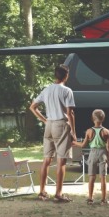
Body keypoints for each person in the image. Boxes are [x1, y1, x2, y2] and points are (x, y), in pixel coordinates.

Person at [29, 64, 77, 202]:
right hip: (61, 125)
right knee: (61, 160)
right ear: (66, 76)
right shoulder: (67, 91)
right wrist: (73, 131)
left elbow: (32, 107)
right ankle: (59, 193)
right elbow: (70, 112)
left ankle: (42, 192)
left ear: (55, 75)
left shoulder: (46, 90)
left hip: (49, 125)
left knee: (46, 160)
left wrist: (45, 120)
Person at [74, 109, 109, 205]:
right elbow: (108, 148)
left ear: (92, 118)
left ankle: (90, 198)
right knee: (103, 177)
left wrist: (74, 143)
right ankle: (104, 199)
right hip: (103, 153)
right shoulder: (106, 131)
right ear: (103, 118)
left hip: (93, 153)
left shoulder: (89, 131)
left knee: (92, 177)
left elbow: (83, 145)